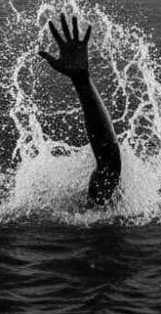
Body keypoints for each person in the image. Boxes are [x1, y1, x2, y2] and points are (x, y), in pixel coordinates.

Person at [39, 13, 121, 206]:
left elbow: (109, 164)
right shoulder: (94, 215)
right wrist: (81, 78)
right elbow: (110, 164)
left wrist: (81, 78)